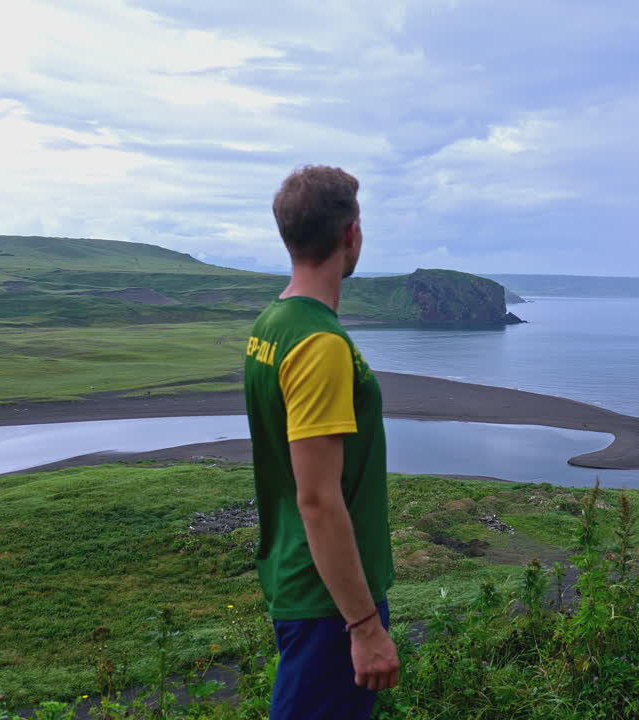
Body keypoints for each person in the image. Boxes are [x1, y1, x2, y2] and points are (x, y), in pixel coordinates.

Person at [243, 165, 399, 719]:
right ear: (350, 234)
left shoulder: (273, 324)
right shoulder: (319, 344)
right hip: (328, 600)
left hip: (302, 579)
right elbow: (318, 498)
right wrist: (364, 626)